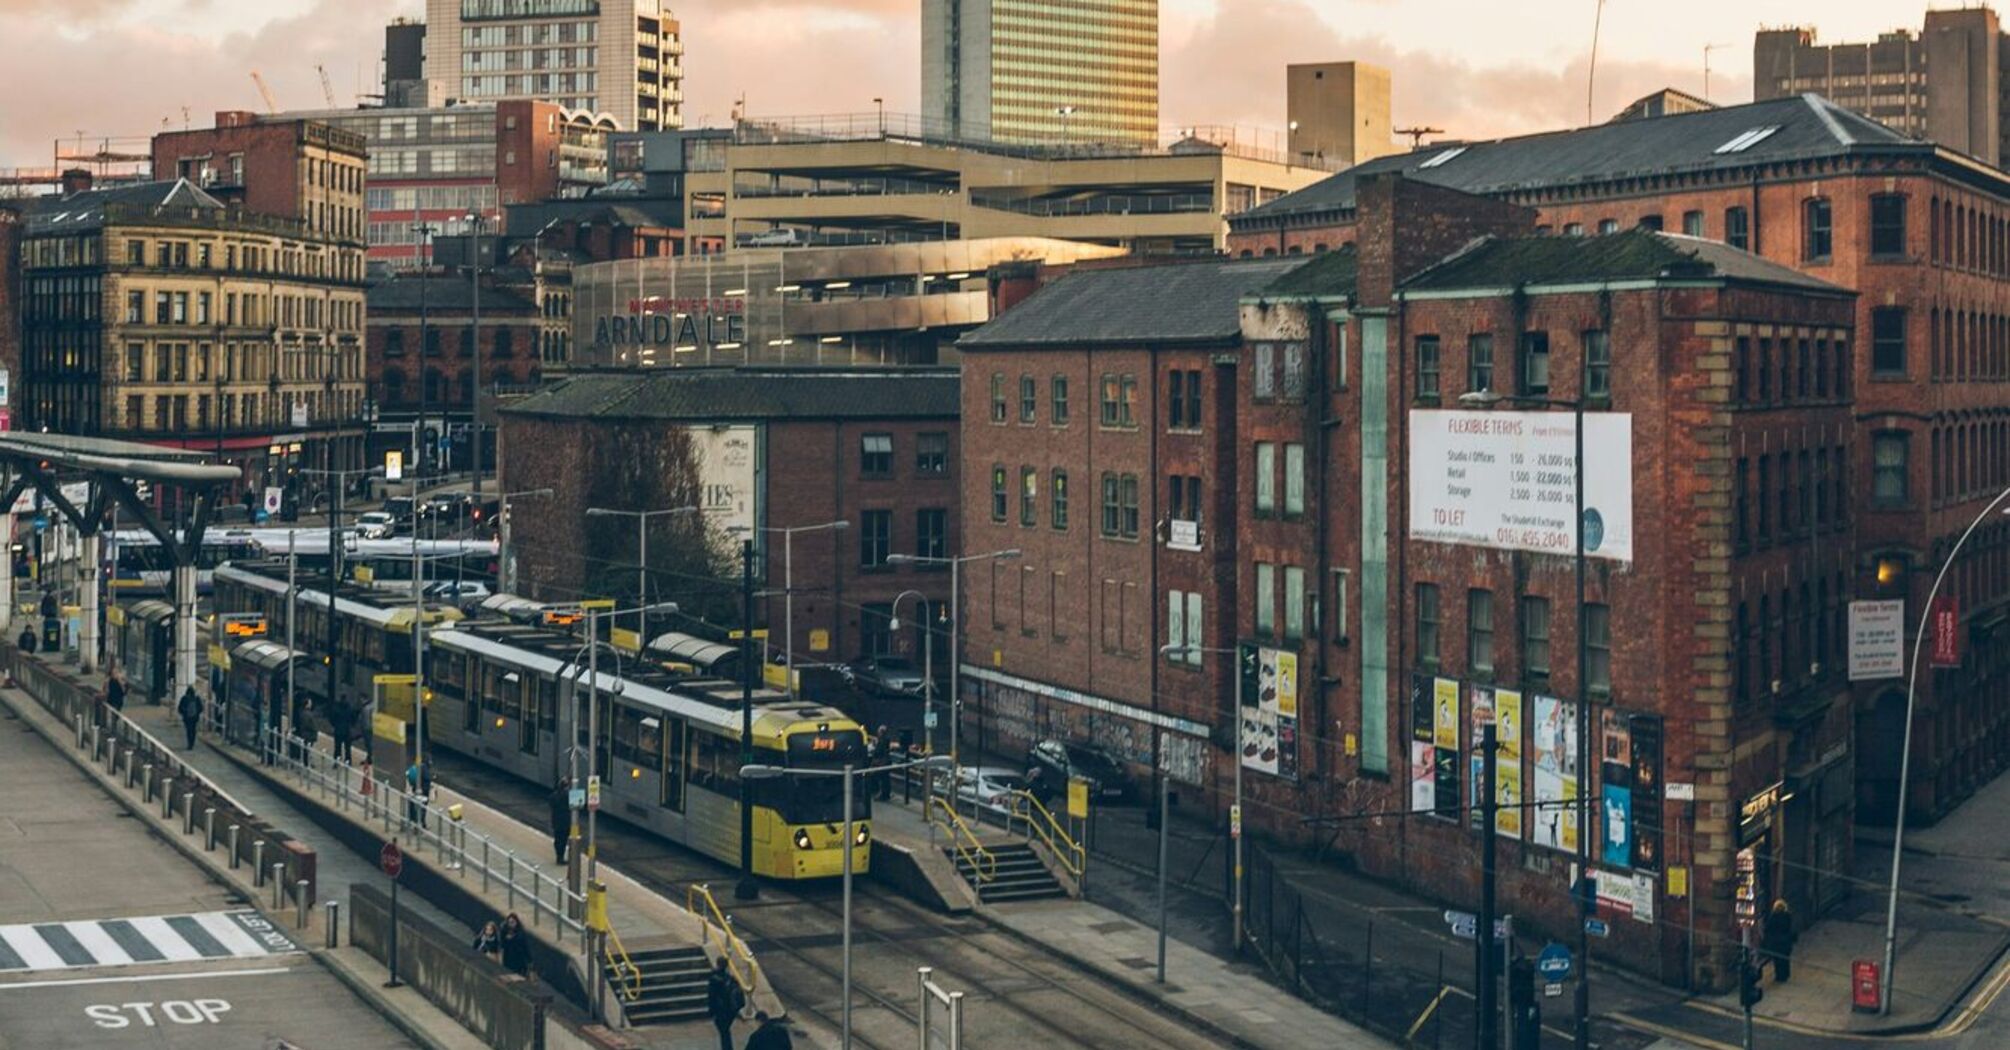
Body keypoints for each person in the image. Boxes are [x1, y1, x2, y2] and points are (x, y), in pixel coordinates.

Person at [705, 955, 746, 1050]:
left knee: (724, 1031)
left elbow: (712, 996)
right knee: (725, 1030)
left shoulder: (714, 979)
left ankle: (727, 1048)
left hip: (721, 1010)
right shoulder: (731, 979)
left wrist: (711, 1011)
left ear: (717, 964)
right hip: (731, 1010)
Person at [1763, 899, 1798, 983]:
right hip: (1786, 941)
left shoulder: (1773, 917)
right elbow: (1789, 928)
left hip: (1776, 942)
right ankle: (1785, 975)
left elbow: (1767, 928)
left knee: (1777, 960)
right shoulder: (1787, 916)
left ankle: (1779, 976)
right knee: (1785, 959)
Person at [548, 777, 573, 865]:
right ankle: (561, 858)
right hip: (566, 822)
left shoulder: (553, 796)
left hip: (556, 822)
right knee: (564, 840)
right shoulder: (568, 796)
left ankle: (559, 857)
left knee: (558, 840)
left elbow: (551, 804)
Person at [406, 757, 434, 827]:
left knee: (414, 806)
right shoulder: (425, 769)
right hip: (423, 791)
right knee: (422, 808)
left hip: (415, 789)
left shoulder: (417, 768)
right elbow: (427, 779)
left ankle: (412, 822)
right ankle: (421, 824)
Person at [176, 685, 203, 751]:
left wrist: (184, 713)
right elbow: (201, 708)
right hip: (195, 718)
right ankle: (192, 743)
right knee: (193, 730)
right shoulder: (197, 698)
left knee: (188, 731)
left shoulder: (184, 698)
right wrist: (197, 713)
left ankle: (189, 744)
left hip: (187, 718)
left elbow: (179, 708)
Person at [871, 725, 892, 802]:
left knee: (881, 778)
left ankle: (882, 794)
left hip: (882, 763)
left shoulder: (881, 741)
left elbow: (878, 751)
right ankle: (886, 794)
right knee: (886, 779)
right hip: (886, 761)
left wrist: (874, 746)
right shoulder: (886, 740)